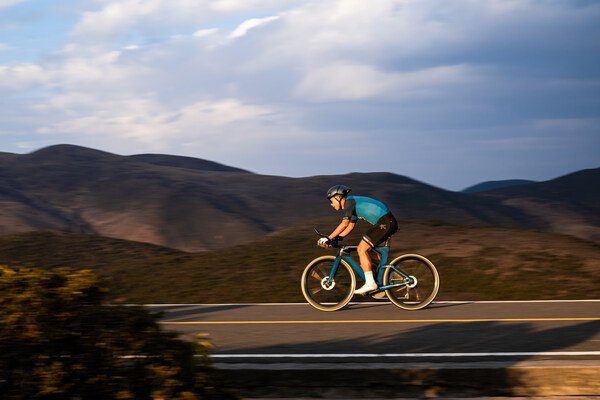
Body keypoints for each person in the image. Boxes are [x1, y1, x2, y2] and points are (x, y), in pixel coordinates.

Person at [318, 185, 398, 295]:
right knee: (368, 251)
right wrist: (337, 238)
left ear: (338, 197)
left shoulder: (349, 202)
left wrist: (329, 237)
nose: (331, 205)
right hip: (386, 222)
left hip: (385, 222)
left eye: (332, 201)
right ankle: (385, 276)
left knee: (361, 249)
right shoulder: (352, 206)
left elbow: (344, 223)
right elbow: (350, 226)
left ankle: (371, 283)